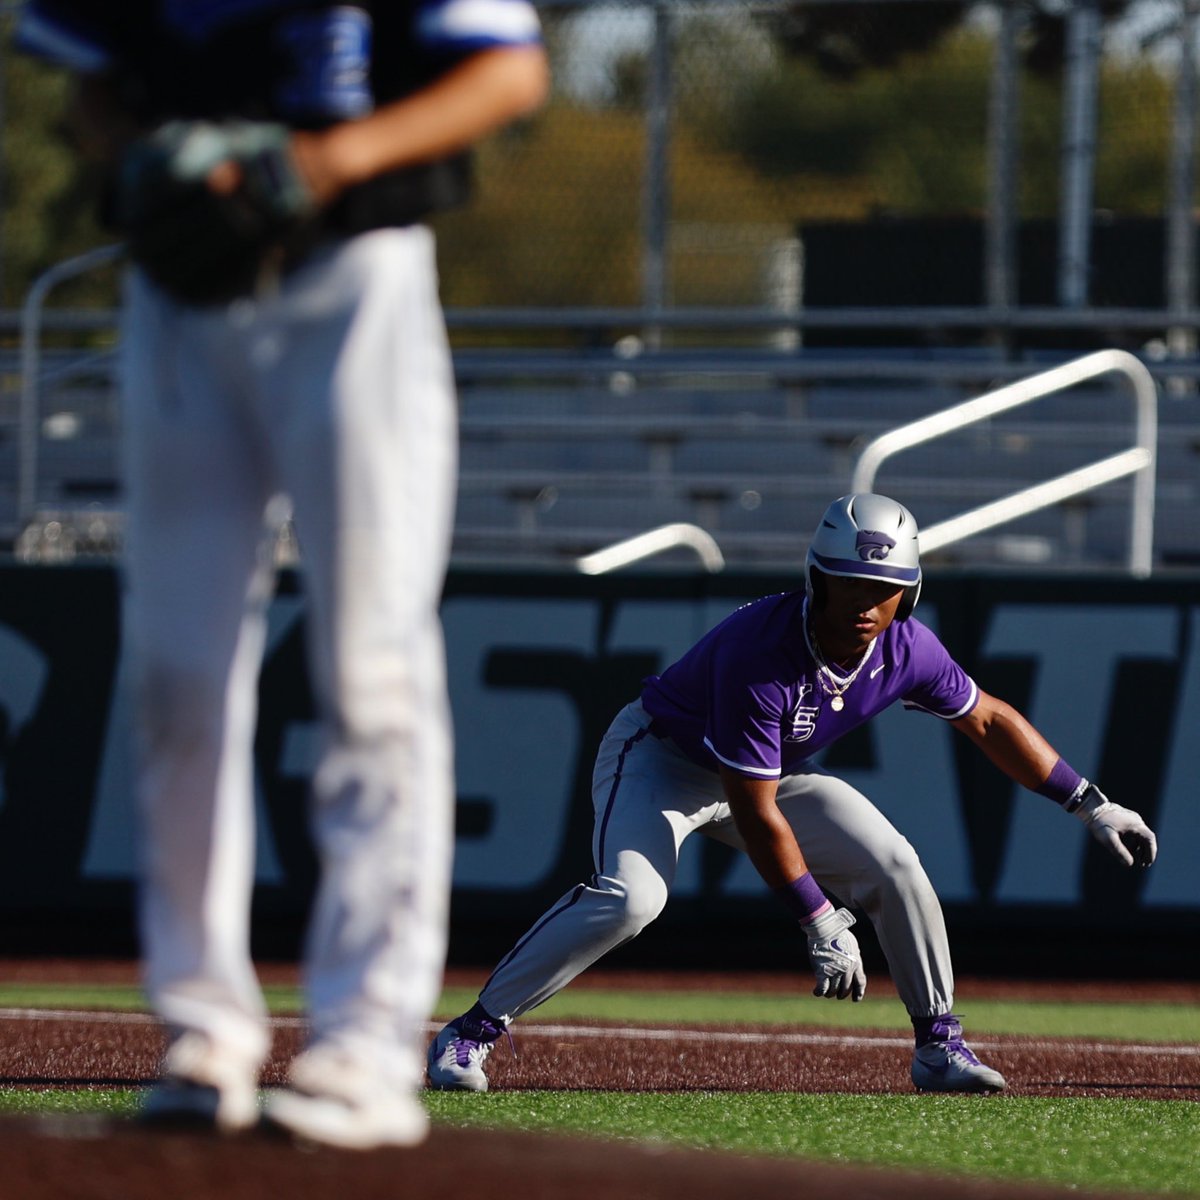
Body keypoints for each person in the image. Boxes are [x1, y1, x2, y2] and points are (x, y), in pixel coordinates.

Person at [17, 0, 548, 1150]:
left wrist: (318, 162)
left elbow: (507, 71)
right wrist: (148, 158)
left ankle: (366, 1044)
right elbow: (92, 85)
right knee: (176, 675)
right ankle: (202, 1032)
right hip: (182, 293)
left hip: (352, 273)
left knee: (370, 668)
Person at [428, 493, 1158, 1095]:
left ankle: (939, 1045)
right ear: (817, 580)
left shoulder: (908, 648)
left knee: (894, 863)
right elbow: (753, 810)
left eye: (883, 588)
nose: (865, 603)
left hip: (771, 771)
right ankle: (470, 1033)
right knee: (632, 900)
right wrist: (818, 917)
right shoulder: (762, 654)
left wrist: (1090, 802)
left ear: (908, 593)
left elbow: (989, 719)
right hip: (663, 759)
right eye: (848, 582)